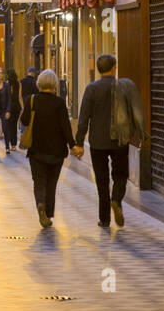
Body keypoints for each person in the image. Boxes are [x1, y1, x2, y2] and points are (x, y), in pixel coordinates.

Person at [72, 53, 148, 228]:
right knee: (120, 174)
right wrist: (141, 133)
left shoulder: (91, 89)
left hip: (97, 142)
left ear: (99, 70)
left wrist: (79, 142)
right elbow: (136, 111)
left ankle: (104, 219)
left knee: (102, 180)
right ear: (114, 68)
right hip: (120, 139)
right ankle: (116, 200)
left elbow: (83, 118)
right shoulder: (124, 87)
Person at [19, 68, 74, 228]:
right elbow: (66, 127)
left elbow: (24, 120)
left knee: (39, 181)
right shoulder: (59, 103)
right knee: (52, 183)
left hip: (36, 149)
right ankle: (48, 213)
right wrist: (73, 145)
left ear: (39, 83)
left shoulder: (32, 100)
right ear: (55, 84)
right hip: (56, 151)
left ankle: (40, 204)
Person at [6, 70, 21, 150]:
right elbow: (19, 96)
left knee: (8, 125)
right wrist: (22, 107)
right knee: (14, 126)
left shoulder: (7, 83)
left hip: (9, 106)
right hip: (16, 106)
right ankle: (14, 145)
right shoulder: (18, 83)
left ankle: (8, 143)